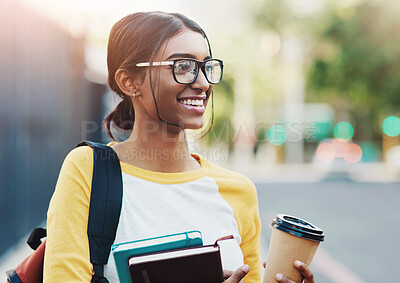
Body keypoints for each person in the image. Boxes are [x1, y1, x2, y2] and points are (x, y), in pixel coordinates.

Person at [43, 11, 315, 283]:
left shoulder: (238, 191)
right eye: (183, 66)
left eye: (207, 67)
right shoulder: (88, 170)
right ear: (129, 82)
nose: (203, 83)